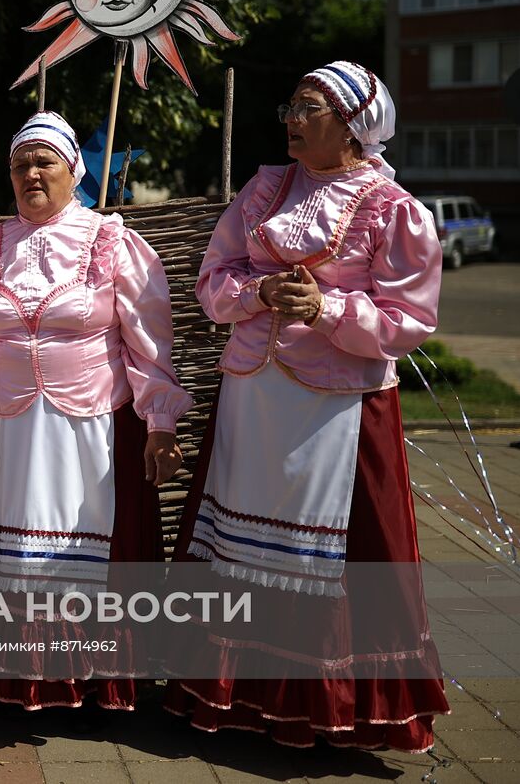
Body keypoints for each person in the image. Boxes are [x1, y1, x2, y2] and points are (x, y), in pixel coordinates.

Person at [165, 62, 448, 750]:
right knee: (240, 539)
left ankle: (324, 708)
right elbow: (213, 278)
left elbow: (408, 317)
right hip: (253, 399)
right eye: (290, 104)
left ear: (353, 126)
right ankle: (232, 695)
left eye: (309, 107)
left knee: (324, 554)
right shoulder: (266, 187)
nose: (292, 117)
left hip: (336, 413)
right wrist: (258, 295)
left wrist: (326, 309)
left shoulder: (392, 207)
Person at [0, 112, 190, 711]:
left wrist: (160, 423)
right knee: (20, 550)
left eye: (44, 162)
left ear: (72, 171)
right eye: (19, 164)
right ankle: (27, 676)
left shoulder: (110, 241)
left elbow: (149, 341)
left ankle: (99, 682)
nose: (30, 173)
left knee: (90, 552)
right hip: (13, 429)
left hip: (94, 425)